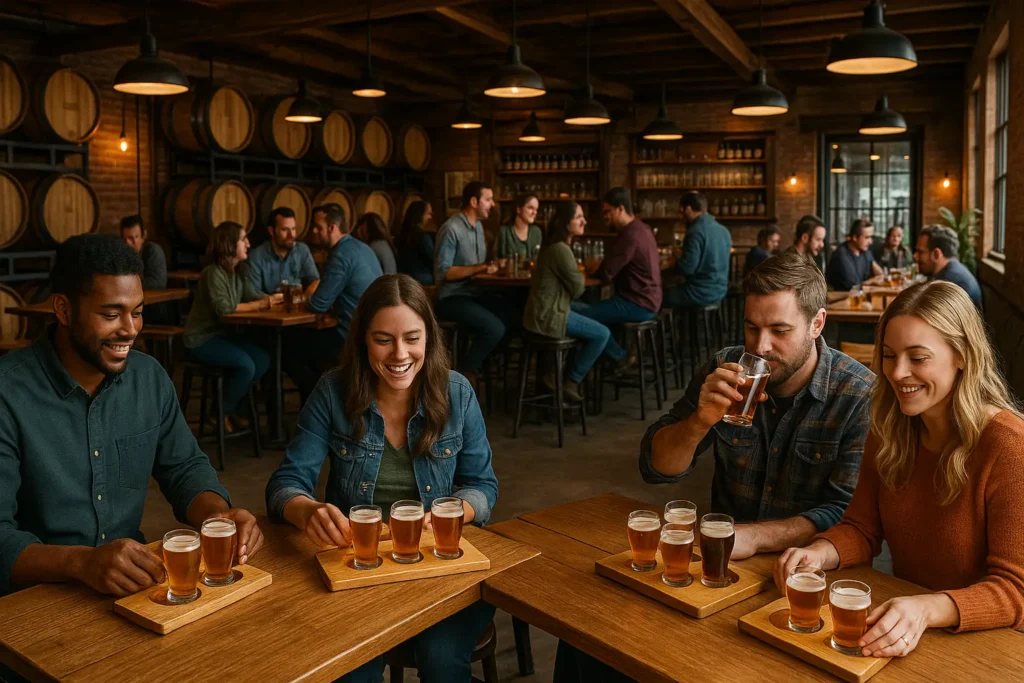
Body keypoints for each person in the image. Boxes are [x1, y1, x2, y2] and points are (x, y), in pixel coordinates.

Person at [0, 234, 263, 598]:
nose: (130, 329)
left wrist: (217, 515)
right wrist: (81, 563)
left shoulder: (149, 377)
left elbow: (184, 467)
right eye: (111, 314)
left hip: (133, 586)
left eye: (137, 312)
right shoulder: (8, 393)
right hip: (35, 599)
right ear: (62, 310)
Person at [266, 274, 498, 683]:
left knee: (441, 661)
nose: (400, 354)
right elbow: (285, 484)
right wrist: (308, 511)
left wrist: (454, 511)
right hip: (359, 568)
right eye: (383, 340)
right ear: (362, 341)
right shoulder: (332, 392)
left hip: (440, 566)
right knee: (355, 673)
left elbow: (483, 486)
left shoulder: (457, 393)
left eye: (412, 338)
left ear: (429, 338)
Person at [776, 281, 1024, 658]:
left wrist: (926, 608)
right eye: (889, 356)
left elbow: (1015, 590)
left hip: (990, 646)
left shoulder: (1008, 445)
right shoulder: (890, 427)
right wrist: (819, 553)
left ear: (962, 356)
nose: (897, 372)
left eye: (918, 357)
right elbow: (862, 528)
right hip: (910, 632)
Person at [641, 250, 874, 557]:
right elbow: (656, 469)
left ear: (816, 324)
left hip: (814, 571)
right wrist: (698, 423)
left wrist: (753, 537)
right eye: (752, 328)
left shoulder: (858, 394)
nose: (761, 347)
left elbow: (848, 515)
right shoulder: (724, 366)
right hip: (725, 563)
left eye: (779, 331)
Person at [184, 222, 275, 432]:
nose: (249, 244)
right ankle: (218, 413)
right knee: (246, 366)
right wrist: (257, 305)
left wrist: (276, 299)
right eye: (244, 239)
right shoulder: (212, 273)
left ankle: (235, 410)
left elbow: (255, 296)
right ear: (229, 244)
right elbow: (224, 309)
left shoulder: (237, 272)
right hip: (201, 339)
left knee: (262, 360)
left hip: (221, 336)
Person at [291, 204, 384, 401]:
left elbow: (318, 304)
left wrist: (304, 295)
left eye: (317, 227)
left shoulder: (341, 254)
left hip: (351, 338)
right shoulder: (361, 247)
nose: (313, 231)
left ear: (332, 228)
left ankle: (315, 408)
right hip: (374, 332)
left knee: (289, 350)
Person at [523, 201, 613, 401]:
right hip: (549, 315)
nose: (584, 221)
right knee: (602, 333)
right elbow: (578, 288)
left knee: (588, 312)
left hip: (544, 311)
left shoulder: (555, 247)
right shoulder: (561, 250)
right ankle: (572, 380)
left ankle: (553, 374)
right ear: (566, 224)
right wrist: (579, 273)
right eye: (579, 217)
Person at [434, 181, 519, 384]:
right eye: (488, 200)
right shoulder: (451, 228)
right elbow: (444, 273)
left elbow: (477, 266)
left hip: (474, 294)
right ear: (474, 201)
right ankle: (464, 372)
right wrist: (481, 268)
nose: (493, 204)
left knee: (513, 315)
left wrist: (491, 266)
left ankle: (485, 362)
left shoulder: (478, 227)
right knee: (495, 328)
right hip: (452, 297)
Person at [573, 187, 662, 368]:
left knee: (582, 317)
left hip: (638, 302)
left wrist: (593, 268)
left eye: (608, 212)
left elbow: (607, 273)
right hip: (649, 300)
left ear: (620, 208)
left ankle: (620, 357)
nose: (605, 216)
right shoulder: (642, 228)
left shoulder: (630, 234)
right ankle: (606, 362)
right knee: (587, 310)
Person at [663, 192, 732, 308]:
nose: (682, 217)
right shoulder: (724, 230)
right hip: (720, 290)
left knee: (658, 296)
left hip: (700, 292)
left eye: (682, 211)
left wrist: (675, 261)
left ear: (688, 209)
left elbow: (688, 268)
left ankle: (681, 326)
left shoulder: (695, 231)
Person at [247, 206, 320, 297]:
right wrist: (277, 302)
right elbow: (254, 293)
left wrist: (303, 299)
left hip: (297, 306)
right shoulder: (257, 256)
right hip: (268, 308)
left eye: (293, 229)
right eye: (285, 230)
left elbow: (315, 281)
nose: (291, 235)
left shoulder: (302, 250)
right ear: (271, 231)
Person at [913, 225, 982, 308]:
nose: (915, 256)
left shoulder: (950, 283)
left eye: (920, 252)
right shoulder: (954, 270)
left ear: (936, 254)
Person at [826, 217, 884, 291]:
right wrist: (872, 281)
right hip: (841, 299)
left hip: (858, 296)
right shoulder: (841, 256)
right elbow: (854, 287)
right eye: (867, 237)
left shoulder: (864, 251)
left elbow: (878, 271)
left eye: (871, 237)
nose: (870, 242)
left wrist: (879, 276)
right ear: (855, 237)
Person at [398, 200, 436, 285]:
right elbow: (434, 261)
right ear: (419, 214)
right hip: (423, 280)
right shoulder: (422, 237)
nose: (430, 217)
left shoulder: (404, 234)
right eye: (428, 214)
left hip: (405, 278)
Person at [496, 194, 543, 261]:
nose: (534, 212)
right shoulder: (504, 231)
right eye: (530, 208)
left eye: (536, 209)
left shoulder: (536, 232)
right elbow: (496, 259)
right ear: (518, 209)